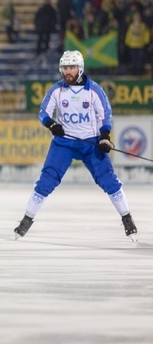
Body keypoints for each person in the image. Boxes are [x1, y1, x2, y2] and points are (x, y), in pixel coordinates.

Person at [13, 50, 138, 242]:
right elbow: (43, 112)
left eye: (71, 67)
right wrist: (51, 124)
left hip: (90, 143)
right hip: (64, 143)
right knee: (47, 180)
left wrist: (104, 137)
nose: (68, 72)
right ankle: (27, 220)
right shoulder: (57, 89)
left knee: (108, 181)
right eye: (65, 68)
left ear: (80, 69)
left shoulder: (94, 90)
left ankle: (127, 218)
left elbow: (105, 114)